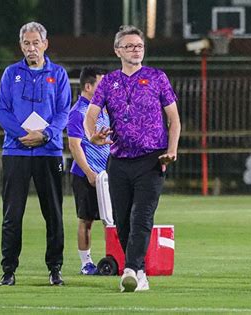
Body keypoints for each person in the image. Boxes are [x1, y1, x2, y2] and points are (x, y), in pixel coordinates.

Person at [84, 25, 181, 292]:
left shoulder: (157, 77)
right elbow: (90, 115)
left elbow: (173, 119)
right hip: (119, 161)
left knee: (142, 215)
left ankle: (132, 269)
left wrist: (172, 149)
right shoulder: (108, 82)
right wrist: (92, 135)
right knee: (122, 221)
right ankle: (138, 270)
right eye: (129, 46)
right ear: (118, 51)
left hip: (151, 159)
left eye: (139, 46)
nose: (135, 50)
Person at [0, 21, 71, 286]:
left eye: (36, 43)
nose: (31, 48)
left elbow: (63, 112)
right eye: (26, 43)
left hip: (48, 153)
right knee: (12, 214)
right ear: (21, 46)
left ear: (45, 44)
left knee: (53, 213)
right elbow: (1, 112)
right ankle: (8, 270)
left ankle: (55, 268)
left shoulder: (58, 75)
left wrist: (46, 135)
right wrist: (22, 135)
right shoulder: (10, 74)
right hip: (15, 152)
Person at [66, 66, 109, 275]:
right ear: (89, 86)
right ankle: (86, 263)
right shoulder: (78, 113)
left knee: (111, 219)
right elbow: (74, 146)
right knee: (87, 219)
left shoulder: (103, 110)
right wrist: (89, 172)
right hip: (85, 175)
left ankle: (115, 257)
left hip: (106, 175)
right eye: (101, 84)